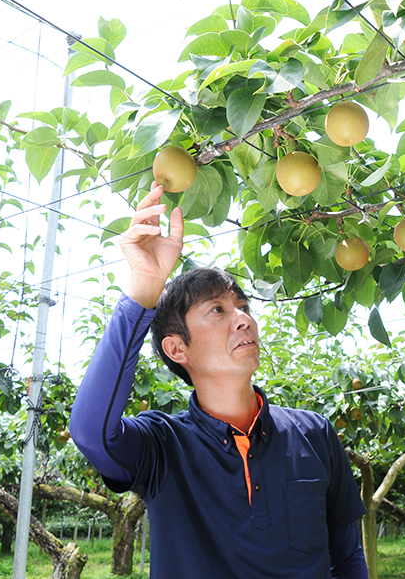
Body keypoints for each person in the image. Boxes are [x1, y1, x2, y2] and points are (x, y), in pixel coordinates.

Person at [70, 182, 369, 578]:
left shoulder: (314, 432)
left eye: (242, 307)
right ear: (178, 350)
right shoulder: (162, 447)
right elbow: (92, 433)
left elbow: (347, 557)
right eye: (217, 310)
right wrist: (144, 290)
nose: (243, 318)